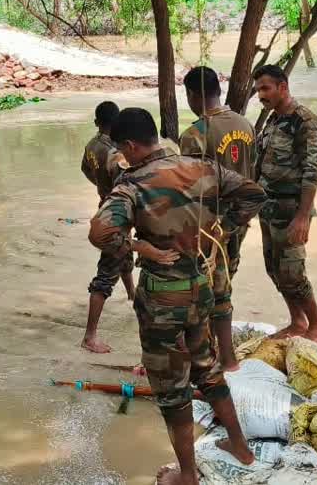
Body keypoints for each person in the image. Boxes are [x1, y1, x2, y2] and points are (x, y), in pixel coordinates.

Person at [90, 108, 262, 485]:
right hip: (201, 287)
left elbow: (100, 234)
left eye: (123, 150)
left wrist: (140, 246)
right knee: (207, 367)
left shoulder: (133, 183)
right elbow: (254, 193)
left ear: (132, 146)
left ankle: (187, 475)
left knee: (172, 390)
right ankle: (241, 448)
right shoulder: (203, 167)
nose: (123, 156)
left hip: (162, 299)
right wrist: (221, 227)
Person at [179, 65, 255, 371]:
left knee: (207, 288)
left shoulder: (195, 134)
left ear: (193, 95)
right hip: (241, 217)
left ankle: (217, 357)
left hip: (210, 226)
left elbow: (191, 190)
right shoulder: (245, 124)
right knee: (225, 279)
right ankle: (219, 351)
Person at [251, 64, 317, 341]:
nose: (261, 95)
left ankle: (316, 325)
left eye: (266, 88)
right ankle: (297, 321)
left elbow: (312, 171)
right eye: (258, 89)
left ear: (283, 87)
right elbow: (260, 165)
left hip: (291, 210)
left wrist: (303, 216)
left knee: (294, 272)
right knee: (274, 269)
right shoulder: (272, 120)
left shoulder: (305, 122)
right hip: (268, 208)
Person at [79, 101, 136, 353]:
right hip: (116, 214)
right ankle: (90, 336)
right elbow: (127, 183)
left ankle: (132, 296)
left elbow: (85, 169)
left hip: (105, 204)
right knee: (106, 272)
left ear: (96, 122)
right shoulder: (116, 153)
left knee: (124, 256)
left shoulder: (92, 145)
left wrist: (101, 187)